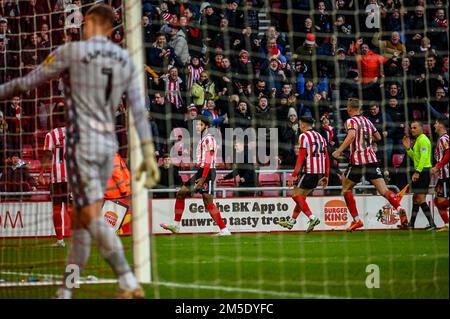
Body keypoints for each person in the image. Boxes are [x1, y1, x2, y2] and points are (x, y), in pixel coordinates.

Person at [0, 4, 160, 299]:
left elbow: (25, 84)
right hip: (108, 148)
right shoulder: (125, 58)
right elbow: (138, 110)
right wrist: (148, 151)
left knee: (87, 216)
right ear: (112, 29)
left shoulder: (72, 52)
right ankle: (67, 290)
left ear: (87, 22)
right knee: (80, 222)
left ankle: (127, 279)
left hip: (82, 145)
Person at [332, 98, 407, 232]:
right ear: (359, 109)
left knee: (346, 188)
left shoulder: (350, 121)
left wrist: (339, 151)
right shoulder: (368, 121)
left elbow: (351, 136)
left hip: (358, 162)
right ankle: (400, 209)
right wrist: (368, 140)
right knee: (384, 190)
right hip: (372, 160)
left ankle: (357, 220)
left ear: (349, 109)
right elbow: (378, 137)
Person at [160, 115, 231, 236]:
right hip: (201, 172)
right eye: (197, 124)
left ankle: (224, 230)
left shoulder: (209, 139)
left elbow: (209, 158)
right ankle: (176, 226)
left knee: (208, 202)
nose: (197, 126)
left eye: (200, 124)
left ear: (206, 126)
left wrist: (203, 177)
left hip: (207, 173)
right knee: (181, 193)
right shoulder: (203, 139)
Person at [276, 116, 328, 233]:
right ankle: (291, 222)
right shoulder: (320, 137)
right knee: (301, 198)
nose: (299, 126)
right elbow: (327, 157)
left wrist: (294, 174)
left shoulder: (303, 136)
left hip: (310, 171)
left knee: (295, 195)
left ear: (303, 125)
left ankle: (312, 218)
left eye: (300, 124)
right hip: (319, 172)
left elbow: (300, 157)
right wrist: (326, 175)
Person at [38, 101, 69, 248]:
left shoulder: (51, 135)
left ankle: (60, 240)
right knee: (71, 208)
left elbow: (47, 155)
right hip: (71, 176)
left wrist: (42, 173)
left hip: (56, 176)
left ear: (55, 116)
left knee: (57, 208)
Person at [402, 121, 436, 230]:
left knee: (420, 198)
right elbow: (415, 158)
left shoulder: (423, 140)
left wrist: (417, 172)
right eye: (411, 128)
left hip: (423, 171)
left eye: (415, 127)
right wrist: (408, 149)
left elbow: (424, 157)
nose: (412, 130)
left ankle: (432, 224)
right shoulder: (418, 140)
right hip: (421, 170)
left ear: (421, 128)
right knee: (415, 198)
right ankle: (411, 225)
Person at [430, 118, 449, 232]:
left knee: (440, 202)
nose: (434, 125)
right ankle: (447, 225)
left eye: (436, 123)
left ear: (441, 125)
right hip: (442, 175)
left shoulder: (444, 138)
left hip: (447, 175)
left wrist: (438, 166)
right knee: (437, 201)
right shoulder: (441, 139)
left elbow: (449, 153)